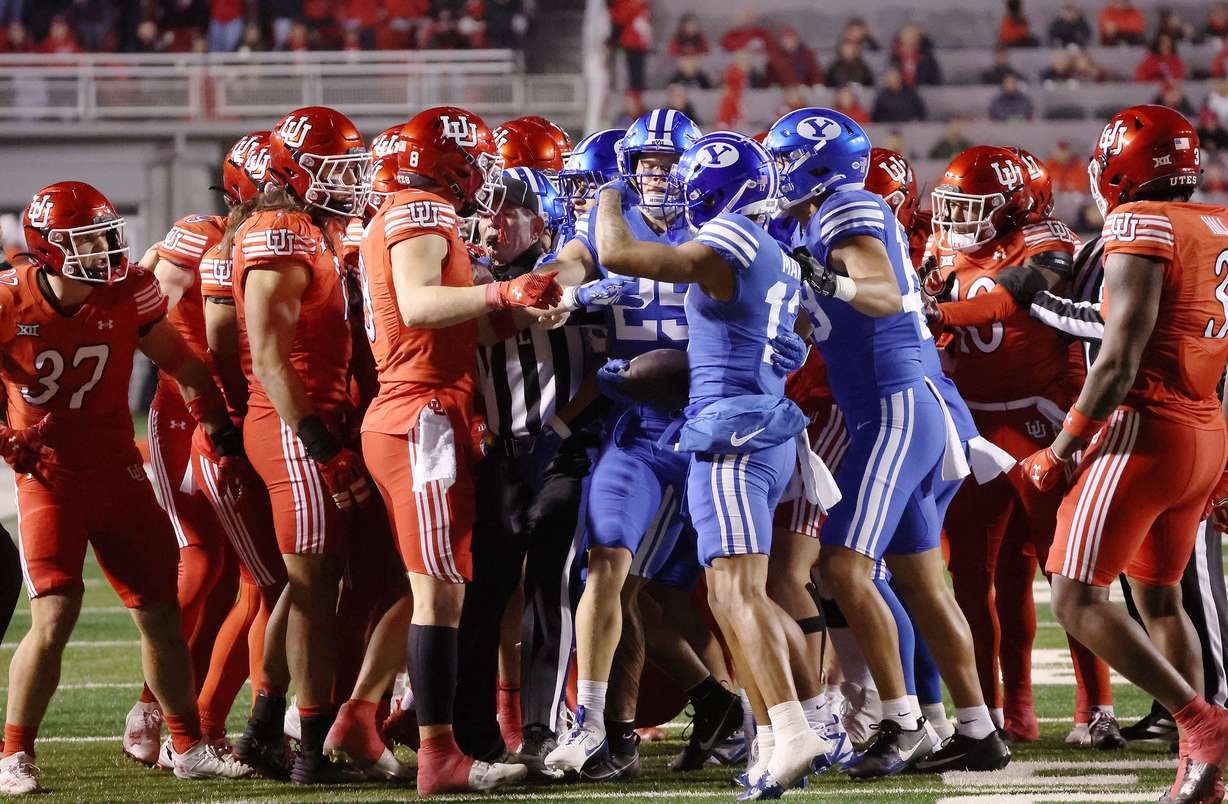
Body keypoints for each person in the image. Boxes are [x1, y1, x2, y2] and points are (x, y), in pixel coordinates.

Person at [594, 130, 847, 796]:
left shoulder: (732, 237)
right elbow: (795, 336)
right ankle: (789, 728)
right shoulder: (777, 252)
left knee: (736, 593)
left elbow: (619, 253)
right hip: (762, 424)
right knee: (739, 593)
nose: (681, 196)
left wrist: (608, 195)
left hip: (730, 433)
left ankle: (794, 728)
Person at [764, 108, 1009, 777]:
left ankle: (902, 724)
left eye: (784, 159)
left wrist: (824, 281)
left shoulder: (846, 205)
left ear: (817, 165)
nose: (776, 172)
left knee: (842, 567)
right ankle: (978, 729)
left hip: (894, 406)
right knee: (922, 581)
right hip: (895, 405)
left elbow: (880, 290)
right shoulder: (813, 220)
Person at [0, 181, 253, 794]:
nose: (104, 251)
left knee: (161, 613)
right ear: (47, 248)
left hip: (118, 473)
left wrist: (220, 429)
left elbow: (183, 363)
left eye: (105, 237)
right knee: (55, 615)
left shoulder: (128, 291)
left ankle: (186, 745)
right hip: (50, 479)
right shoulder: (8, 298)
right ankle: (14, 754)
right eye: (86, 241)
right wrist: (5, 437)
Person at [1019, 103, 1228, 802]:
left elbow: (1117, 360)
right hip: (1203, 429)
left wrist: (1063, 448)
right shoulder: (1217, 223)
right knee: (1160, 600)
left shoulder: (1138, 222)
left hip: (1145, 430)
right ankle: (1199, 770)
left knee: (1076, 597)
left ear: (1120, 169)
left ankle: (1202, 725)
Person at [355, 105, 555, 794]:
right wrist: (502, 289)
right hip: (421, 414)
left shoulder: (416, 211)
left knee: (441, 589)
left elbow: (457, 326)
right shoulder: (419, 210)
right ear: (451, 163)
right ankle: (438, 754)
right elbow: (417, 304)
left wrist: (523, 308)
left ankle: (376, 723)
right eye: (476, 162)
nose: (484, 175)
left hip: (425, 407)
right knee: (438, 594)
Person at [925, 146, 1119, 746]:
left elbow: (1012, 297)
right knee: (972, 577)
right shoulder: (939, 245)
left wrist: (939, 312)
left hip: (1041, 420)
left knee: (1067, 572)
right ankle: (994, 713)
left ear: (1016, 206)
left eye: (975, 206)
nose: (957, 219)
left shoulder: (1045, 240)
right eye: (954, 205)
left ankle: (1096, 709)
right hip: (973, 424)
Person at [543, 109, 702, 780]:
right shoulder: (605, 222)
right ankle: (590, 726)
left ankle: (774, 717)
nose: (658, 175)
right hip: (635, 427)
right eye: (647, 164)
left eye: (669, 163)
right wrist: (554, 288)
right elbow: (568, 265)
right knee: (605, 563)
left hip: (705, 428)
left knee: (735, 590)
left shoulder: (722, 221)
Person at [226, 105, 371, 784]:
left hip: (314, 418)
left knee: (313, 579)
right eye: (334, 171)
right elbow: (268, 357)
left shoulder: (314, 229)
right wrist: (321, 444)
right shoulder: (277, 234)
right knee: (315, 590)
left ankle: (262, 728)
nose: (348, 183)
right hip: (292, 423)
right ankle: (309, 749)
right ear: (293, 172)